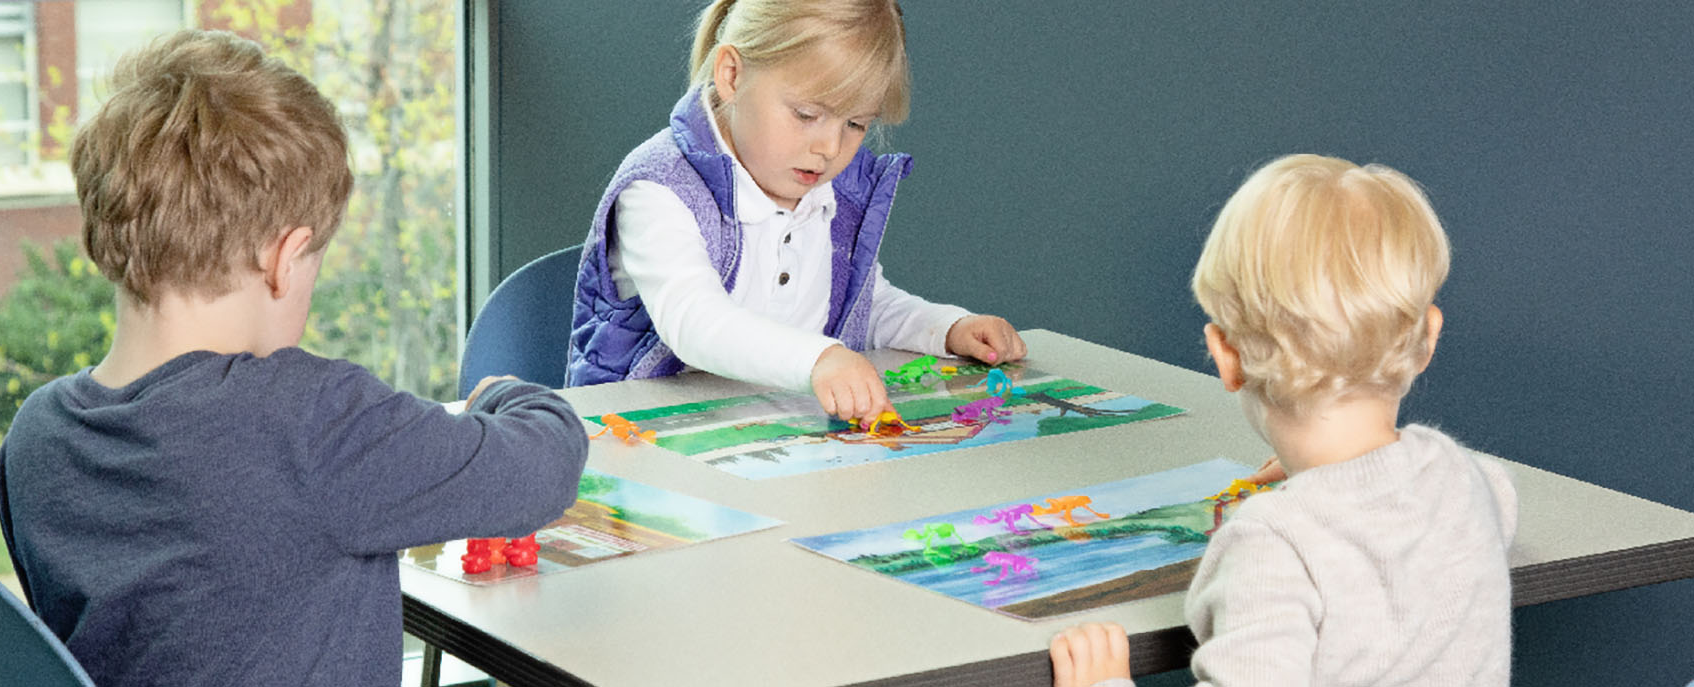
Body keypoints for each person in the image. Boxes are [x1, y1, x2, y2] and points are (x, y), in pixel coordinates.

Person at [0, 30, 589, 686]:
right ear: (284, 258)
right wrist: (504, 392)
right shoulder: (307, 419)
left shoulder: (36, 438)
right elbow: (544, 469)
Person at [1051, 154, 1519, 687]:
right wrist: (1338, 481)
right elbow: (1494, 500)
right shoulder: (1462, 478)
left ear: (1226, 356)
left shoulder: (1273, 544)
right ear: (1428, 338)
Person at [567, 0, 1025, 421]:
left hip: (776, 439)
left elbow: (864, 305)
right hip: (647, 444)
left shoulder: (825, 193)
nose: (829, 147)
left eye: (855, 124)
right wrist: (819, 359)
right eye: (807, 115)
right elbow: (694, 321)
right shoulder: (659, 188)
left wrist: (947, 327)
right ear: (732, 75)